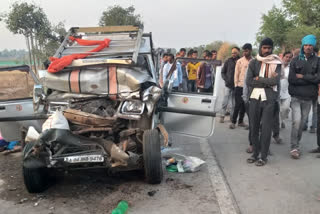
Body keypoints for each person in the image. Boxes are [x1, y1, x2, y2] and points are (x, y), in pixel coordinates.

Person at [246, 38, 282, 166]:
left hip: (270, 98)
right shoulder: (253, 62)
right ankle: (255, 153)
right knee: (254, 127)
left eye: (269, 48)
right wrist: (267, 80)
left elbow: (275, 82)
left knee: (266, 128)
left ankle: (264, 156)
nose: (267, 50)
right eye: (264, 48)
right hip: (255, 97)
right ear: (260, 48)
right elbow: (249, 81)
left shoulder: (277, 63)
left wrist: (259, 79)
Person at [288, 35, 320, 159]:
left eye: (310, 45)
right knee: (296, 122)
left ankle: (296, 144)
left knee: (301, 124)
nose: (308, 47)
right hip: (295, 96)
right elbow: (292, 79)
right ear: (303, 46)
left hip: (308, 98)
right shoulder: (295, 60)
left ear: (313, 47)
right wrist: (310, 79)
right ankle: (294, 147)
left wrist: (303, 77)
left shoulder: (317, 61)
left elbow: (318, 78)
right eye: (306, 45)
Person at [230, 43, 252, 129]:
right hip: (239, 86)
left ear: (250, 50)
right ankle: (233, 122)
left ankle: (241, 121)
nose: (244, 53)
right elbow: (236, 74)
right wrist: (236, 85)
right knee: (238, 104)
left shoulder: (253, 61)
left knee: (246, 105)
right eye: (243, 51)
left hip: (249, 87)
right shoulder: (240, 61)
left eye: (246, 51)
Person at [220, 47, 240, 123]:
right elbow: (223, 72)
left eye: (235, 52)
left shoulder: (241, 61)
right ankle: (222, 116)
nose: (233, 54)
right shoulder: (228, 61)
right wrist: (226, 79)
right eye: (232, 53)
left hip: (237, 86)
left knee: (234, 103)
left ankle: (232, 118)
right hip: (228, 85)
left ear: (238, 52)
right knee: (225, 101)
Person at [279, 51, 293, 129]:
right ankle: (279, 123)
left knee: (286, 108)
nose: (287, 59)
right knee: (278, 110)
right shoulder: (278, 66)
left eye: (289, 57)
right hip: (277, 91)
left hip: (287, 92)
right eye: (286, 57)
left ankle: (282, 119)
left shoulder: (292, 68)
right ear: (283, 57)